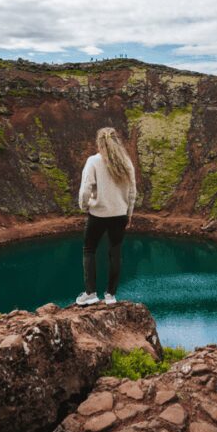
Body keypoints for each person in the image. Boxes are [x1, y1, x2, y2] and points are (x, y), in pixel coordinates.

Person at [76, 127, 137, 306]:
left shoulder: (93, 161)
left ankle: (91, 293)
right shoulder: (126, 162)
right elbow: (133, 192)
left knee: (89, 250)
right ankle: (111, 295)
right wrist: (129, 213)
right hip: (119, 214)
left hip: (98, 214)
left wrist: (84, 206)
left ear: (99, 143)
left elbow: (86, 188)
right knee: (115, 252)